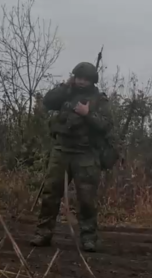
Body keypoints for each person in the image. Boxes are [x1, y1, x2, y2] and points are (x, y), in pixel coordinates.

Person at [29, 61, 117, 252]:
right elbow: (48, 102)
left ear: (92, 80)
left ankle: (88, 237)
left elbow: (106, 126)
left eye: (85, 79)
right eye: (78, 77)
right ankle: (43, 233)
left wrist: (87, 114)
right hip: (62, 149)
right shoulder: (66, 92)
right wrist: (65, 87)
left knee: (86, 198)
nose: (81, 81)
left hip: (86, 153)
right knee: (51, 193)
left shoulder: (99, 100)